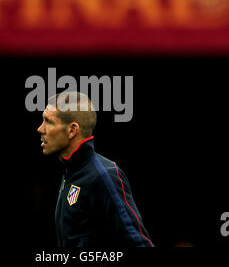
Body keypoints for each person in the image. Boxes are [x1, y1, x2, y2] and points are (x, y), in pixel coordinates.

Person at [37, 91, 154, 247]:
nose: (40, 129)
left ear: (72, 130)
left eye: (48, 121)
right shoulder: (71, 172)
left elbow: (138, 243)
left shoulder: (104, 175)